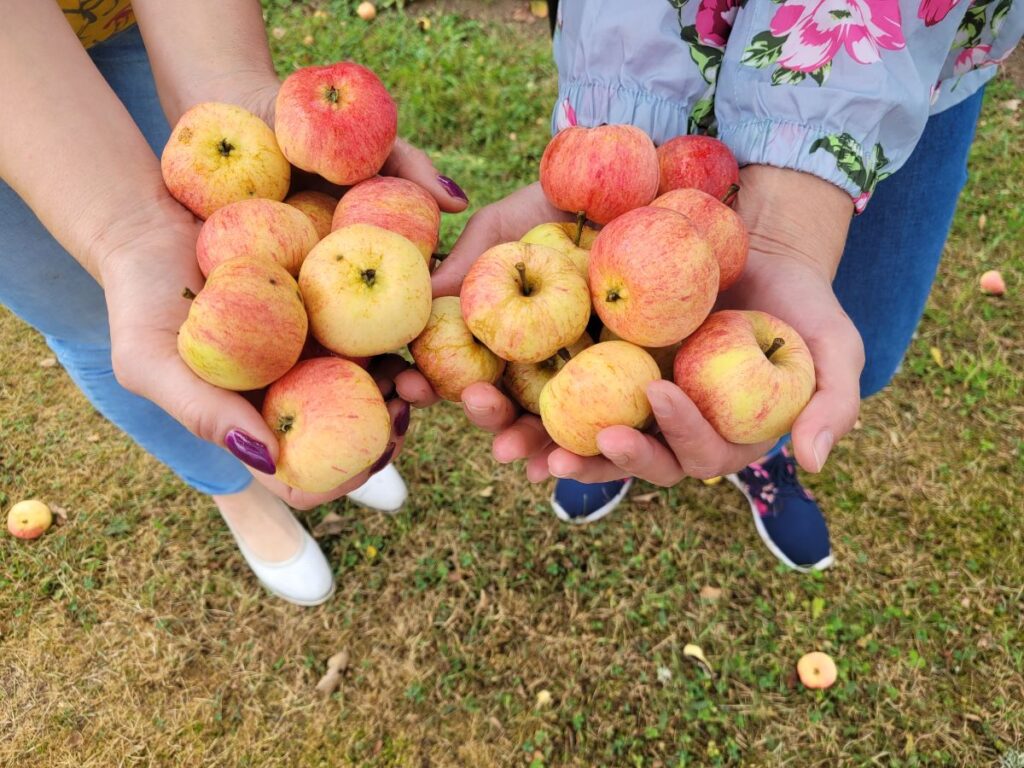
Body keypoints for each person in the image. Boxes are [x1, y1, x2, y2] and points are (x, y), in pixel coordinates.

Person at [399, 0, 1023, 572]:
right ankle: (620, 429)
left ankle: (763, 448)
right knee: (650, 389)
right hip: (630, 59)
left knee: (864, 344)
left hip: (905, 78)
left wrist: (795, 208)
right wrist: (626, 136)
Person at [0, 2, 470, 605]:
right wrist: (126, 231)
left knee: (206, 157)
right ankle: (235, 488)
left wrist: (231, 88)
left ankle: (306, 435)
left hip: (123, 20)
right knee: (99, 319)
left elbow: (229, 126)